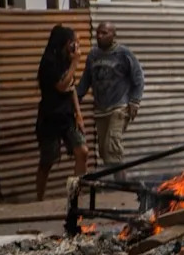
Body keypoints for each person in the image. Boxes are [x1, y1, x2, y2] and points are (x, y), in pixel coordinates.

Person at [77, 22, 144, 169]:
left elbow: (138, 78)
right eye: (98, 33)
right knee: (104, 151)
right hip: (101, 110)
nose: (99, 36)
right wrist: (75, 100)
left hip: (119, 108)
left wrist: (135, 101)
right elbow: (85, 81)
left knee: (112, 147)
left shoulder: (123, 54)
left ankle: (122, 185)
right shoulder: (93, 55)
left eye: (104, 33)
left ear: (114, 35)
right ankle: (117, 184)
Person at [35, 25, 89, 201]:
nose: (77, 47)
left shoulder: (67, 59)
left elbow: (71, 87)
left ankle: (76, 196)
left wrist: (78, 114)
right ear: (67, 43)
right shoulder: (49, 63)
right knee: (47, 161)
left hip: (67, 116)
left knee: (82, 151)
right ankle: (39, 199)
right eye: (75, 43)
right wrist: (75, 63)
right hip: (51, 117)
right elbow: (61, 85)